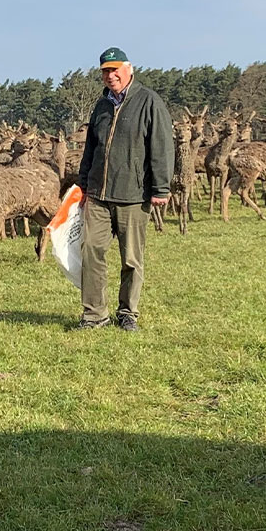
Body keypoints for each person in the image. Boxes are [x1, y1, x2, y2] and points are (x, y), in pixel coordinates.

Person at [76, 47, 173, 331]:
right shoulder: (101, 106)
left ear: (129, 69)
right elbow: (90, 149)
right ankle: (95, 315)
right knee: (91, 251)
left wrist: (161, 188)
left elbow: (162, 147)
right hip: (98, 195)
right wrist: (83, 184)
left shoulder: (149, 102)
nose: (110, 75)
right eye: (106, 71)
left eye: (115, 69)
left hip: (133, 195)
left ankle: (128, 313)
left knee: (131, 258)